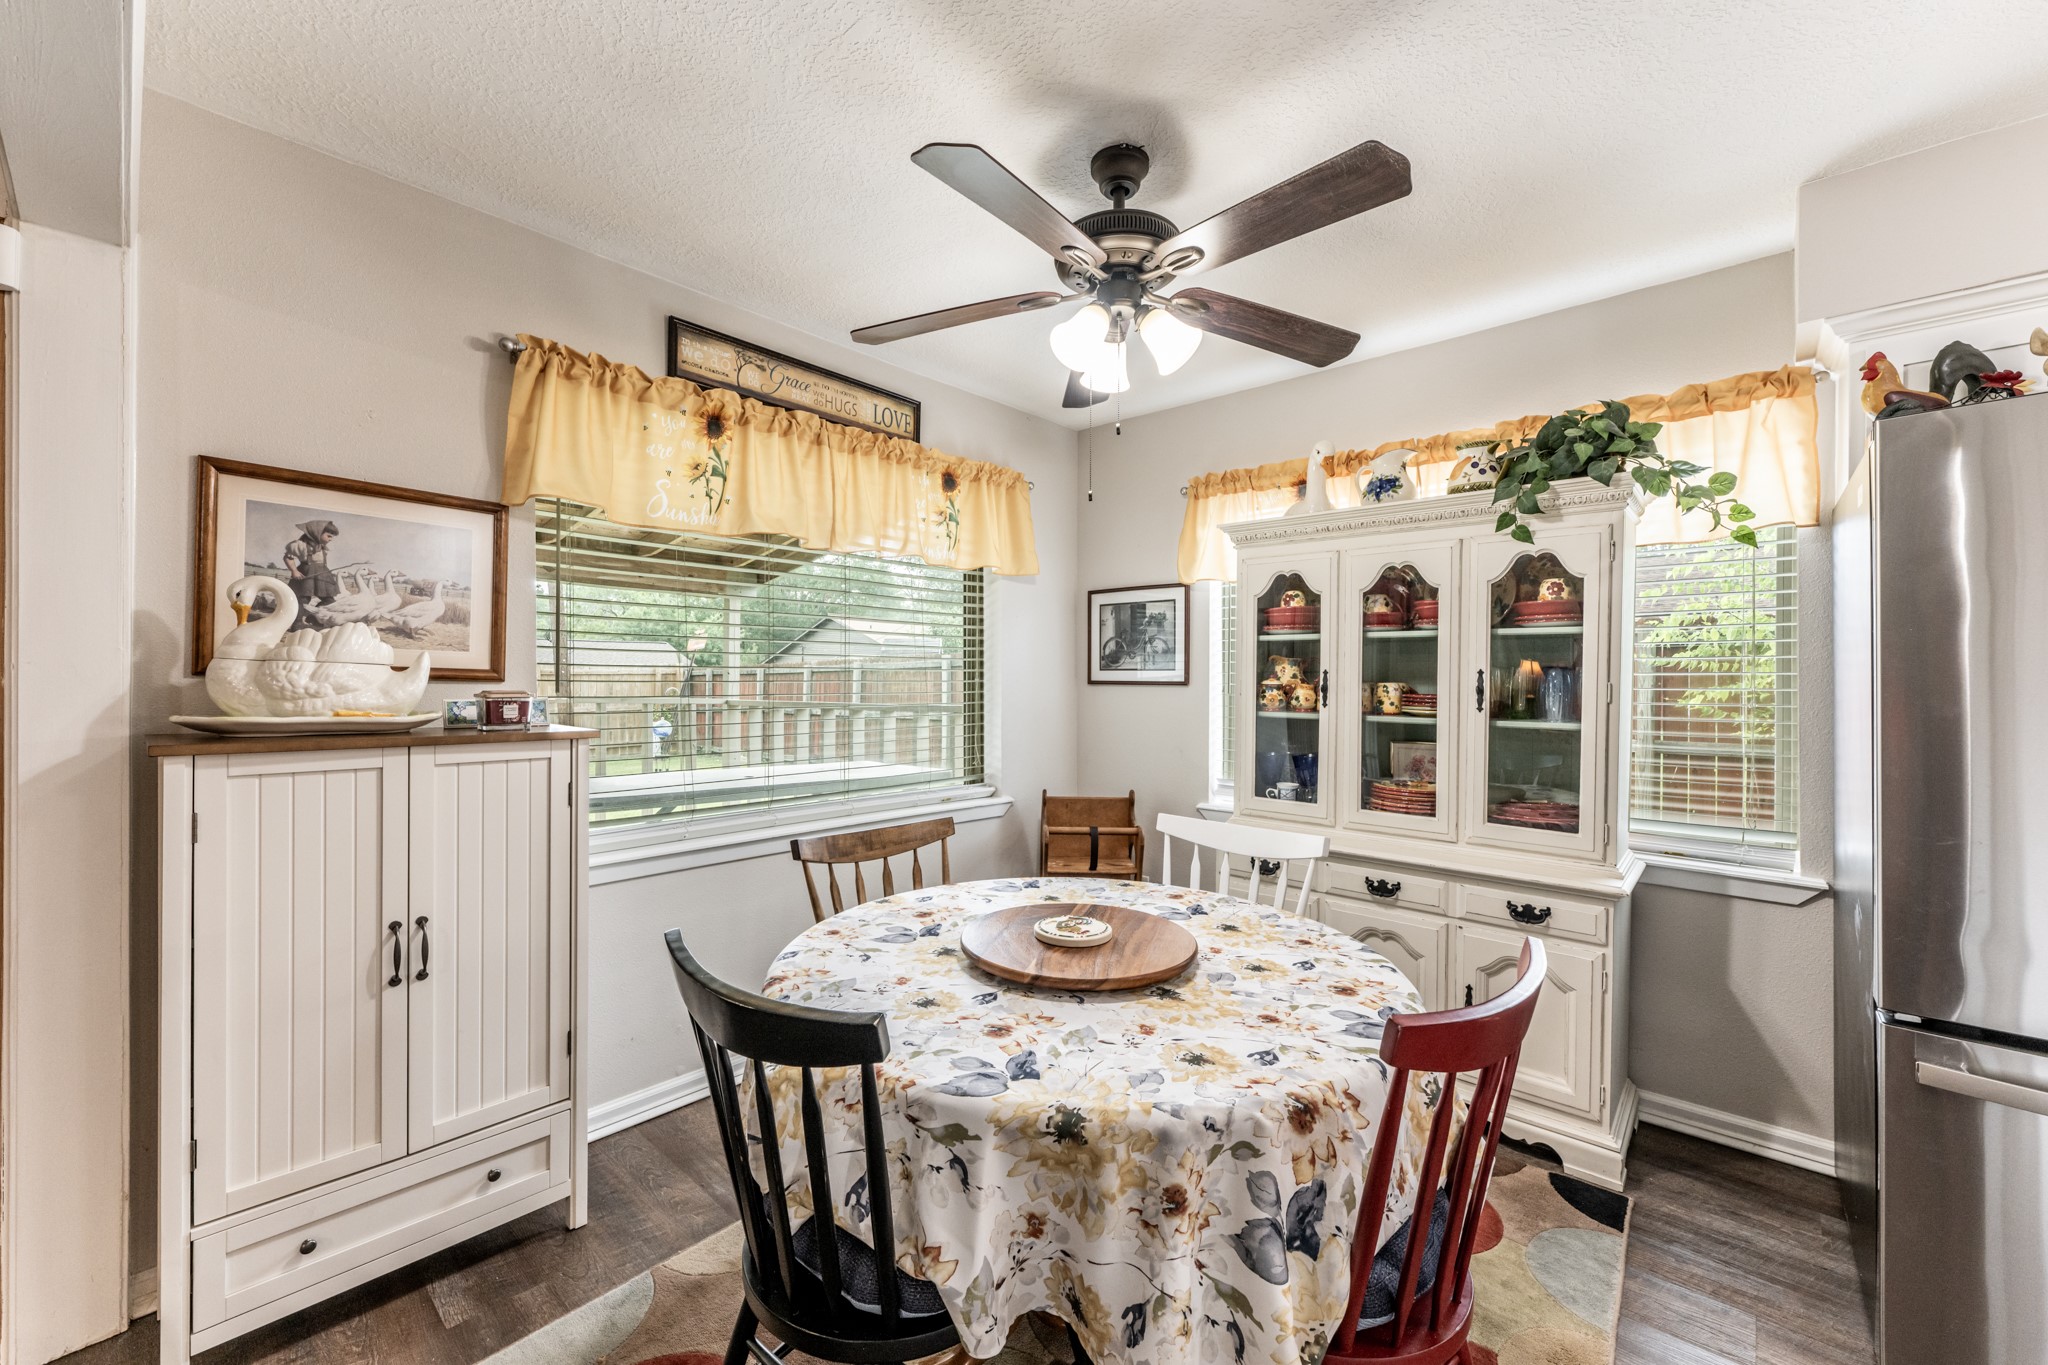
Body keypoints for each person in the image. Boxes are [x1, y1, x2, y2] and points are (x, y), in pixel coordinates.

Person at [283, 519, 342, 628]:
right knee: (302, 600)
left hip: (322, 576)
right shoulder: (300, 545)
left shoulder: (322, 546)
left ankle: (313, 616)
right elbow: (288, 558)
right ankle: (297, 623)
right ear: (317, 533)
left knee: (329, 600)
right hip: (306, 574)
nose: (331, 539)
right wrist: (294, 571)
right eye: (329, 536)